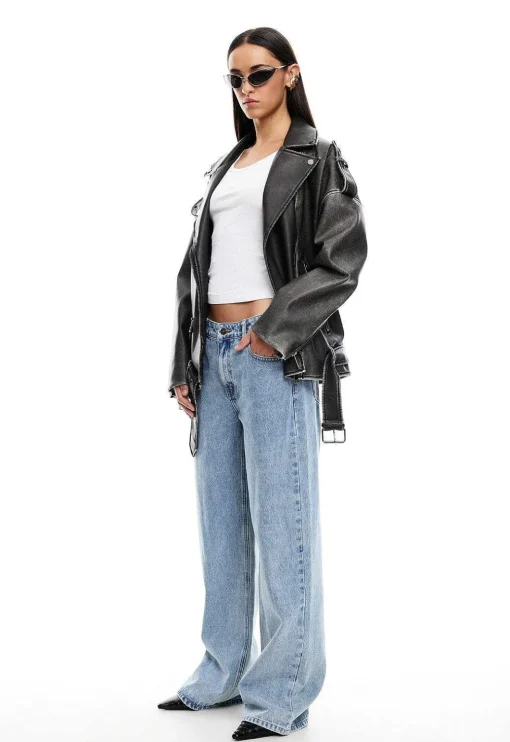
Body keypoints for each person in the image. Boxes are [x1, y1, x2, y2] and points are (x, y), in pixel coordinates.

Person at [159, 26, 368, 740]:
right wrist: (185, 363)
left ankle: (280, 696)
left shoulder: (317, 158)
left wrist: (273, 331)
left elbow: (342, 261)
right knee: (221, 525)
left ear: (290, 75)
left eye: (258, 74)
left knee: (284, 527)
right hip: (213, 352)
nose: (246, 89)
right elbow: (194, 273)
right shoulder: (228, 165)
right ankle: (222, 672)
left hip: (273, 354)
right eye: (235, 79)